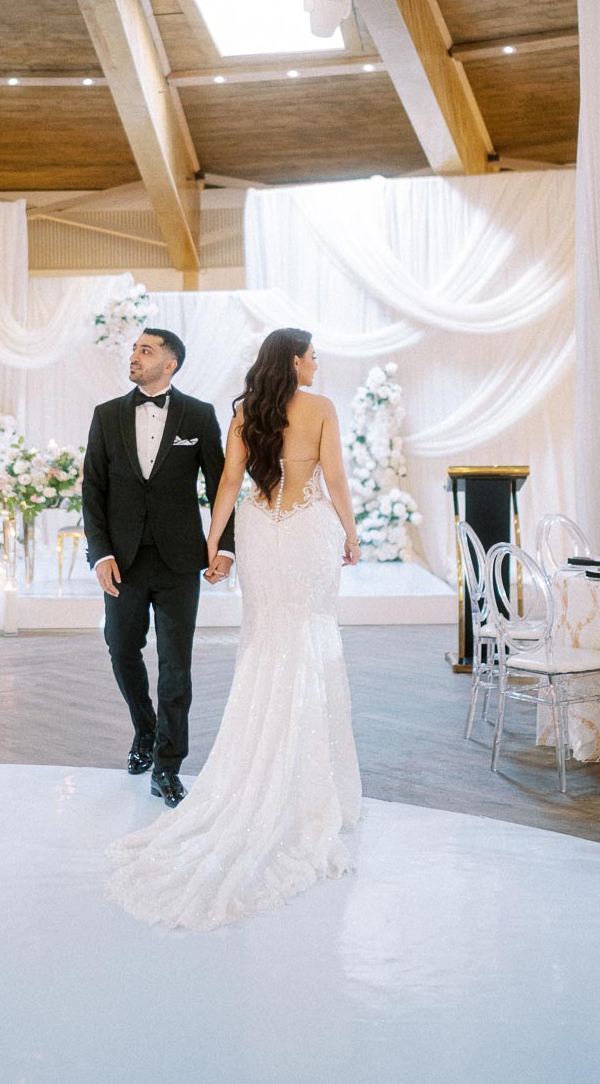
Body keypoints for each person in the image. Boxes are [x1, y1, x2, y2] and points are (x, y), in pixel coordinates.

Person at [107, 327, 362, 930]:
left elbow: (226, 484)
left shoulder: (248, 411)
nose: (318, 363)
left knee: (267, 640)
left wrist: (216, 542)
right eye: (313, 355)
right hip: (305, 531)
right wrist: (351, 533)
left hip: (260, 528)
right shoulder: (321, 409)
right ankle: (304, 779)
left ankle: (254, 766)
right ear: (295, 360)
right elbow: (336, 480)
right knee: (305, 638)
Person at [82, 328, 235, 809]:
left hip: (179, 561)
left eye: (145, 350)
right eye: (134, 349)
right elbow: (93, 492)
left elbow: (221, 485)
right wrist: (100, 554)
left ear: (169, 363)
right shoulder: (106, 416)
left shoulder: (199, 415)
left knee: (176, 665)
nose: (134, 356)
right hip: (122, 561)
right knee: (121, 647)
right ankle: (144, 729)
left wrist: (225, 548)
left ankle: (168, 766)